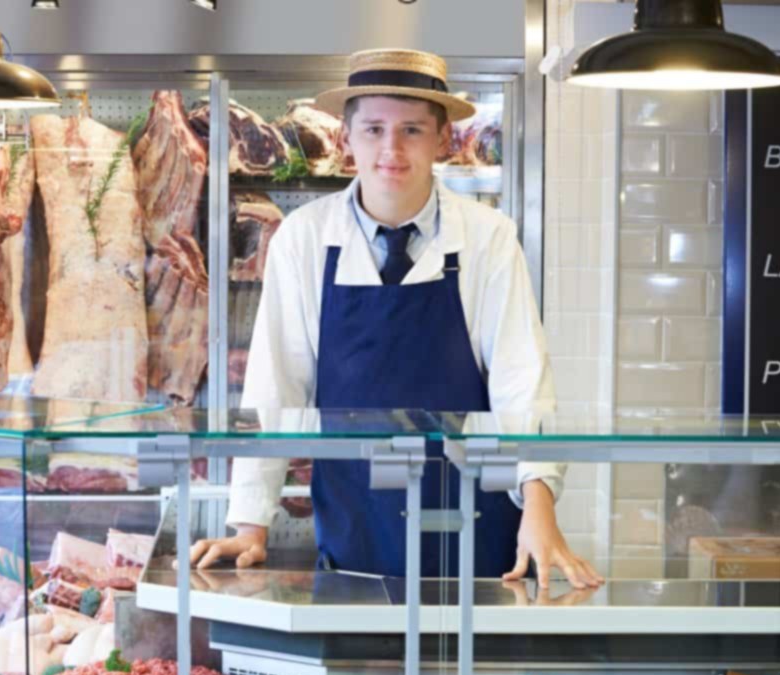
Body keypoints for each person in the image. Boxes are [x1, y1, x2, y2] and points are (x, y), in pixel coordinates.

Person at [188, 48, 602, 588]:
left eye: (411, 130)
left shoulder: (487, 236)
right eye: (374, 128)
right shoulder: (305, 238)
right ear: (346, 138)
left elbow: (522, 384)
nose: (391, 149)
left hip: (479, 534)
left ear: (443, 139)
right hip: (354, 522)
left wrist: (539, 506)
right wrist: (250, 524)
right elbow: (276, 388)